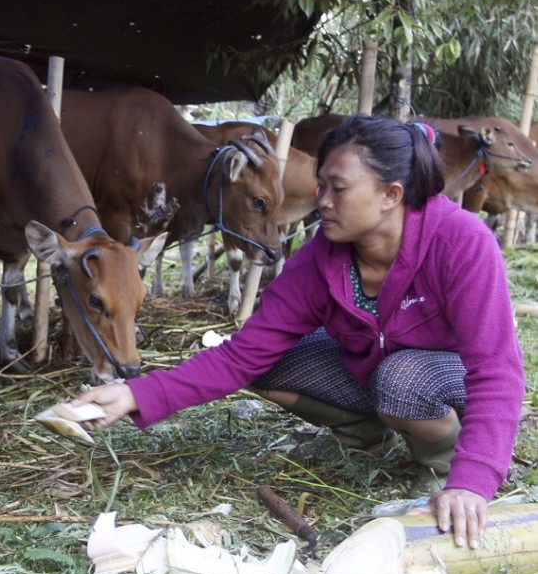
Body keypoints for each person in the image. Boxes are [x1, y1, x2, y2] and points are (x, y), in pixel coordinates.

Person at [74, 114, 524, 550]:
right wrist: (138, 394)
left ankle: (440, 463)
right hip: (370, 367)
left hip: (445, 375)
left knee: (401, 380)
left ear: (390, 194)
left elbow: (497, 370)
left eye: (339, 188)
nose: (322, 199)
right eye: (322, 185)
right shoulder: (321, 256)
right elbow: (242, 355)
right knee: (267, 364)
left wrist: (474, 479)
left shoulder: (460, 241)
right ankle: (370, 435)